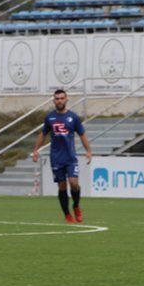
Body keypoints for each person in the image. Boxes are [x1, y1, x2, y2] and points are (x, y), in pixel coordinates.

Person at [32, 89, 92, 223]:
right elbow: (43, 134)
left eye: (61, 98)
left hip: (70, 157)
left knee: (74, 183)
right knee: (62, 186)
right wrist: (36, 150)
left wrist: (88, 150)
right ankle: (67, 215)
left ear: (66, 100)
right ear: (54, 101)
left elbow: (82, 134)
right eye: (57, 98)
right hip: (56, 158)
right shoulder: (50, 118)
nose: (59, 100)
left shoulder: (73, 117)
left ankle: (76, 206)